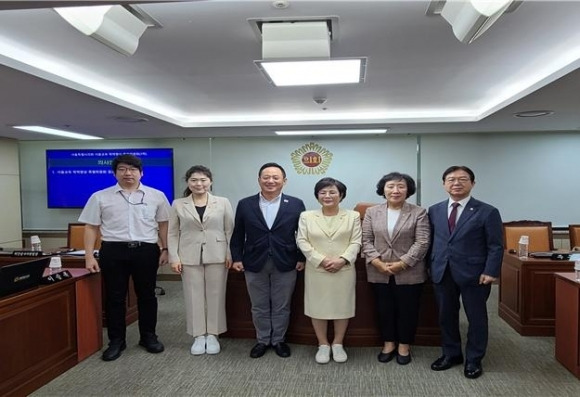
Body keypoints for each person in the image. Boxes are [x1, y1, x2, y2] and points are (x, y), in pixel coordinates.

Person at [79, 154, 171, 361]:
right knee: (115, 297)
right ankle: (116, 341)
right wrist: (88, 256)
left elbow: (164, 224)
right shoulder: (100, 196)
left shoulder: (156, 196)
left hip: (146, 250)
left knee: (147, 296)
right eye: (122, 169)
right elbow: (91, 227)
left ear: (141, 173)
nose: (128, 173)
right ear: (115, 172)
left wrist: (166, 249)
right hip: (113, 250)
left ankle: (148, 337)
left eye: (132, 169)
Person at [428, 165, 503, 379]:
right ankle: (451, 354)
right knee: (446, 316)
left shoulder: (487, 211)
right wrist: (429, 267)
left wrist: (491, 271)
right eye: (451, 179)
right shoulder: (435, 210)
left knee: (476, 318)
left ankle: (474, 359)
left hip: (476, 274)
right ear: (444, 184)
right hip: (442, 271)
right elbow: (432, 241)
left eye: (462, 179)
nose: (456, 183)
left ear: (473, 183)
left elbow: (496, 245)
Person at [230, 162, 305, 359]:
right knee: (258, 305)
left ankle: (278, 340)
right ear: (259, 180)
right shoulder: (245, 204)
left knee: (282, 305)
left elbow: (303, 235)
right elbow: (238, 234)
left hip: (286, 261)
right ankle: (263, 340)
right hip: (254, 262)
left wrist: (301, 257)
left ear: (284, 181)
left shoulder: (296, 204)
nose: (270, 181)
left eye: (275, 177)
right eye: (266, 177)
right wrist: (236, 257)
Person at [362, 172, 430, 365]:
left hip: (409, 271)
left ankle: (404, 345)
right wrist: (377, 262)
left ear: (408, 190)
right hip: (378, 270)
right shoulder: (372, 212)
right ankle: (389, 343)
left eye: (401, 186)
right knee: (384, 309)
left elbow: (422, 241)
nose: (395, 190)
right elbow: (365, 240)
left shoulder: (419, 212)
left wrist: (402, 263)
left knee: (408, 310)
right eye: (391, 186)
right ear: (383, 189)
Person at [168, 165, 234, 356]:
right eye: (194, 180)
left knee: (216, 294)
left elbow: (230, 230)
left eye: (203, 180)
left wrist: (230, 254)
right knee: (193, 295)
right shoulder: (178, 204)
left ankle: (213, 334)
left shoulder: (222, 202)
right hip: (188, 255)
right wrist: (174, 256)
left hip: (218, 253)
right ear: (188, 182)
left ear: (210, 181)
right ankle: (198, 335)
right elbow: (172, 233)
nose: (199, 184)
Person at [296, 177, 361, 364]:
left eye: (332, 192)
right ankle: (323, 344)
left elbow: (356, 241)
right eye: (323, 192)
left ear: (341, 195)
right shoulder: (306, 216)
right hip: (317, 269)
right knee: (318, 307)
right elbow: (302, 241)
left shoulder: (353, 216)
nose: (327, 196)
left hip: (344, 269)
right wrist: (321, 259)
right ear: (317, 196)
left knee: (343, 306)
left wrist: (342, 260)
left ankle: (338, 343)